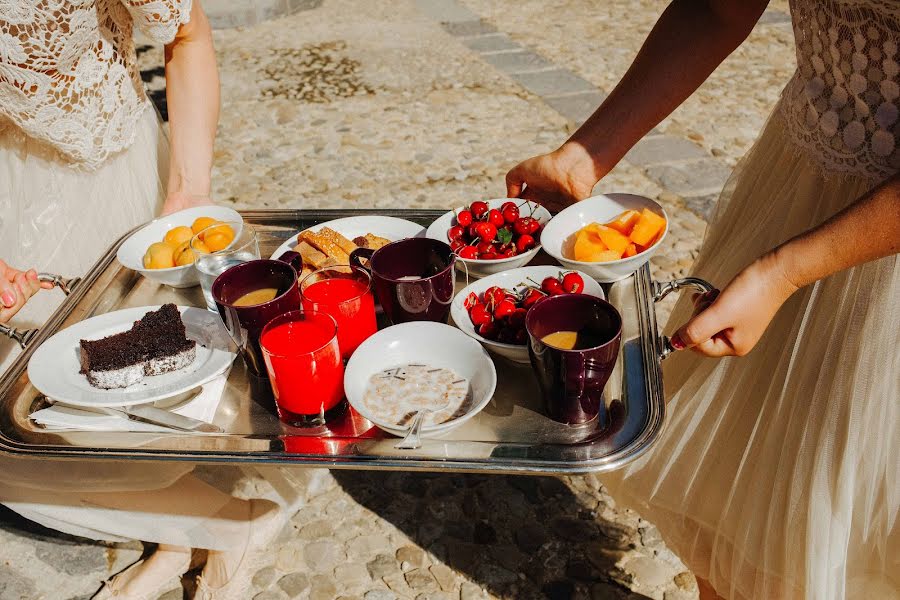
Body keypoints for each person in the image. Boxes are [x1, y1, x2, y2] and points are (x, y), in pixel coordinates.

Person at [506, 1, 898, 599]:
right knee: (735, 508)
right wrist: (582, 157)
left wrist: (783, 273)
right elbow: (716, 8)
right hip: (797, 179)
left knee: (849, 515)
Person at [0, 2, 296, 598]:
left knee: (140, 384)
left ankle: (190, 530)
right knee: (36, 412)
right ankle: (216, 525)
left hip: (113, 175)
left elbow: (187, 29)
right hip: (12, 185)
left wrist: (187, 194)